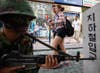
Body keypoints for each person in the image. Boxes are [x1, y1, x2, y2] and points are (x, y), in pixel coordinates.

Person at [0, 0, 59, 73]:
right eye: (21, 18)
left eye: (28, 19)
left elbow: (27, 67)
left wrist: (40, 64)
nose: (26, 22)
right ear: (7, 20)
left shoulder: (26, 40)